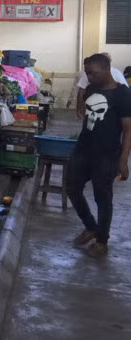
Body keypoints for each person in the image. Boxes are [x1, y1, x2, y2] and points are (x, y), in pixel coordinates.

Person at [67, 53, 131, 258]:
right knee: (72, 187)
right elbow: (87, 113)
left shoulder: (123, 95)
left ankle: (102, 241)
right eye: (87, 73)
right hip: (83, 149)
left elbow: (128, 130)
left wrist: (123, 160)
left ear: (106, 70)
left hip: (107, 154)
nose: (89, 77)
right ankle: (91, 227)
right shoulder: (91, 88)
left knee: (102, 198)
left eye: (93, 73)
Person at [75, 52, 127, 119]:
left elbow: (125, 94)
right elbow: (82, 90)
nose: (89, 77)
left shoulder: (117, 74)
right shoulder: (90, 84)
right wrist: (79, 108)